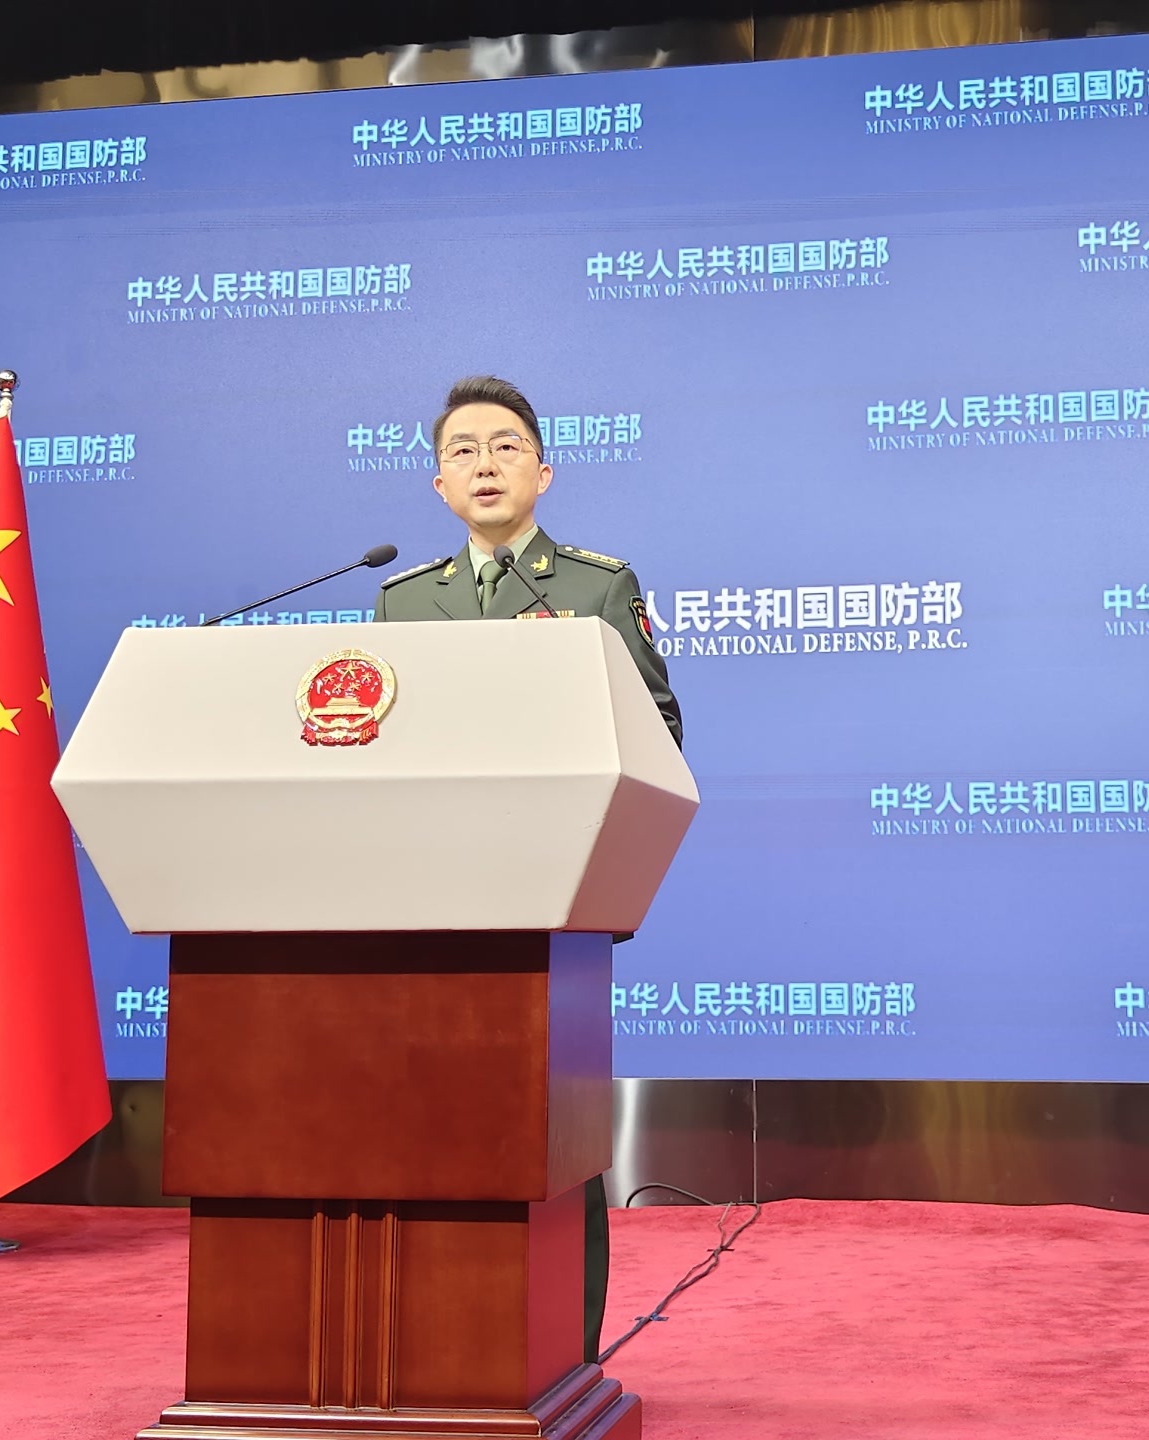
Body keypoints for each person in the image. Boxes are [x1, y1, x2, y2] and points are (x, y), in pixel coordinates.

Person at [375, 374, 681, 1367]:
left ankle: (562, 1355)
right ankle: (440, 1348)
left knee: (555, 1136)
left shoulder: (595, 587)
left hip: (552, 903)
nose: (485, 465)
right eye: (462, 451)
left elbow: (657, 732)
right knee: (432, 1123)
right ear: (439, 485)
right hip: (427, 902)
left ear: (543, 472)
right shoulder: (401, 599)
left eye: (506, 447)